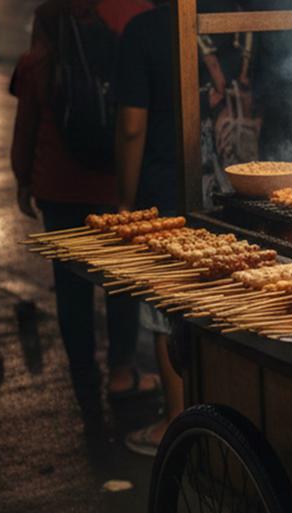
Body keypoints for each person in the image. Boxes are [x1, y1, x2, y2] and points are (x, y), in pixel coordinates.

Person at [11, 0, 155, 399]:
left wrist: (23, 179)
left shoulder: (44, 37)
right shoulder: (131, 15)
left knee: (71, 285)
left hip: (58, 188)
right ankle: (122, 372)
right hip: (115, 185)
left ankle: (82, 374)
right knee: (121, 282)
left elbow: (27, 121)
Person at [114, 1, 183, 455]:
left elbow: (132, 126)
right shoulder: (235, 21)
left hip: (166, 191)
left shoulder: (144, 30)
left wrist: (125, 199)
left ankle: (176, 423)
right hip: (232, 191)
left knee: (165, 312)